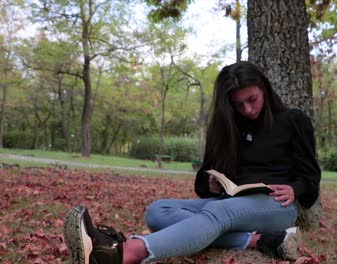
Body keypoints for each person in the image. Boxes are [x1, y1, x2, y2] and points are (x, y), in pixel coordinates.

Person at [63, 61, 321, 264]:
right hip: (228, 203)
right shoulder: (227, 127)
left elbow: (311, 179)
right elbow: (202, 180)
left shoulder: (293, 121)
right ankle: (259, 241)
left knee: (218, 214)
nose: (247, 110)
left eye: (251, 100)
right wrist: (212, 183)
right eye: (238, 104)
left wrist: (295, 189)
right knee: (157, 210)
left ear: (263, 88)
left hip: (275, 205)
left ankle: (125, 253)